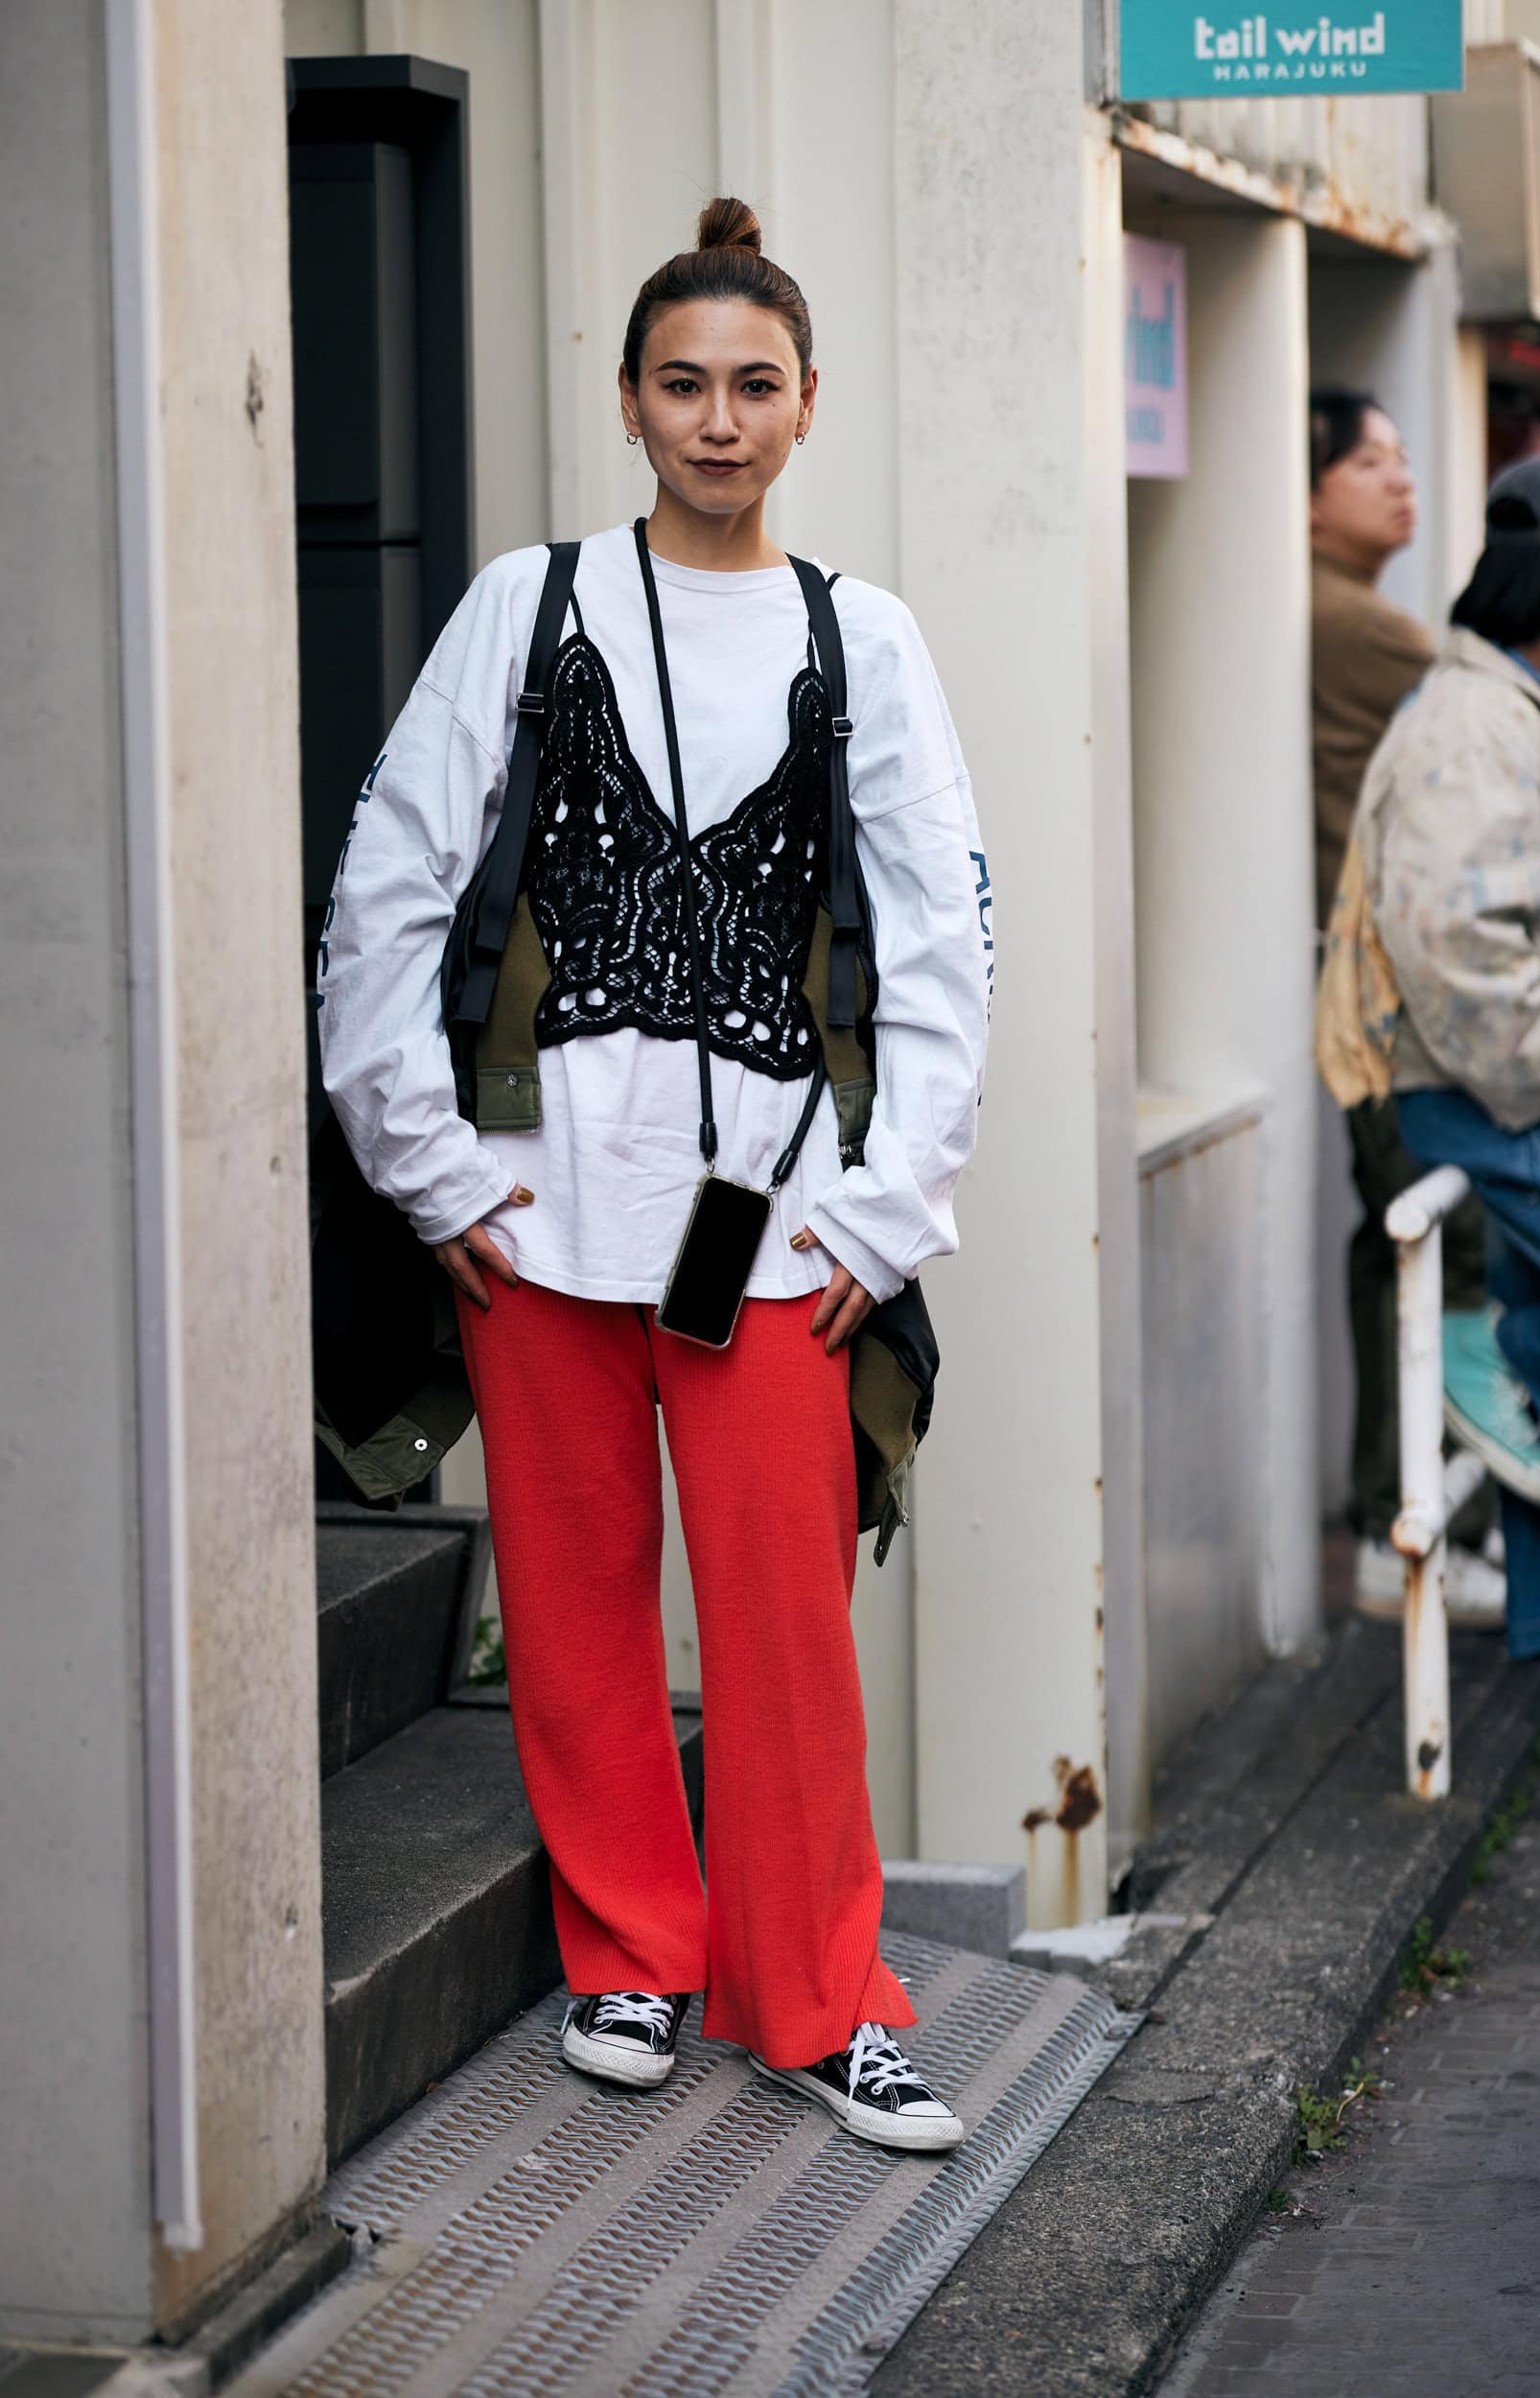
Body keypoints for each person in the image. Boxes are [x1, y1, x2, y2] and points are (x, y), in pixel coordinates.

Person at [317, 198, 991, 2152]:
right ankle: (628, 1947)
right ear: (625, 400)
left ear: (806, 405)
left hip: (774, 1228)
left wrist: (884, 1208)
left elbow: (941, 943)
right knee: (573, 1601)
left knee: (784, 1634)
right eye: (681, 383)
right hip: (537, 1221)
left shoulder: (859, 637)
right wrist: (429, 1170)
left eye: (751, 385)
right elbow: (384, 889)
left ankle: (818, 1997)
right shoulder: (526, 611)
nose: (716, 419)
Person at [1340, 450, 1540, 1659]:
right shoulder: (1476, 722)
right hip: (1495, 1094)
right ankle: (1482, 1348)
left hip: (1498, 1089)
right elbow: (1450, 935)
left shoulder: (1502, 708)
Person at [1310, 389, 1528, 1625]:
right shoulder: (1365, 631)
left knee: (1397, 1241)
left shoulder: (1332, 615)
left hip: (1355, 990)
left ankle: (1397, 1525)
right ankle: (1422, 1533)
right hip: (1393, 999)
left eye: (1401, 458)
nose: (1399, 480)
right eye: (1367, 462)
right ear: (1304, 496)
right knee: (1448, 1242)